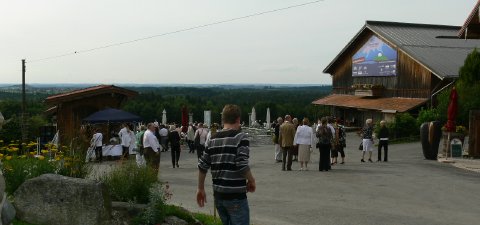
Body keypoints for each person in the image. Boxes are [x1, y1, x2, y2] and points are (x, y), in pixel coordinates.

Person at [197, 104, 255, 225]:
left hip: (219, 196)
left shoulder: (212, 139)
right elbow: (241, 164)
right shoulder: (240, 137)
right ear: (238, 119)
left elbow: (203, 166)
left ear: (222, 119)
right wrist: (251, 180)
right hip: (235, 196)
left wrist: (200, 188)